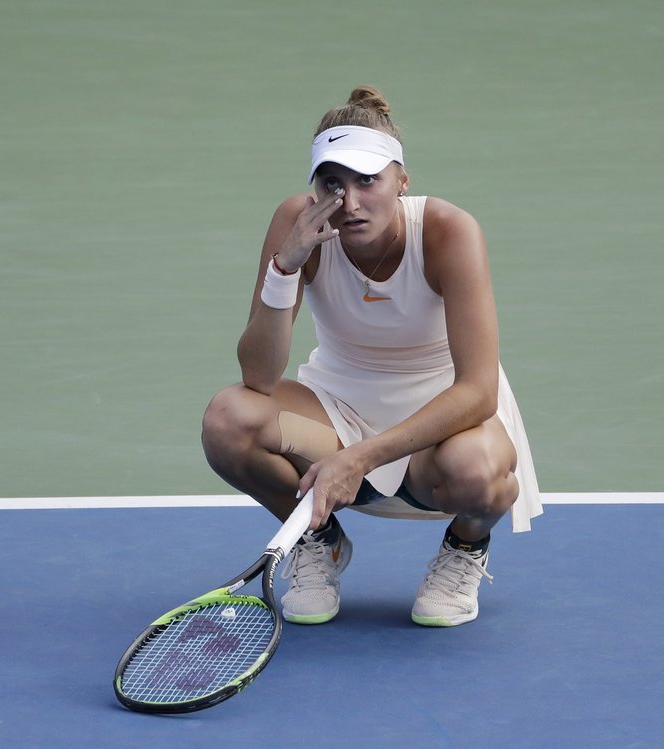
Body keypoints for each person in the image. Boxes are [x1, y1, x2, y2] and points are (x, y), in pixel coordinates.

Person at [201, 85, 541, 627]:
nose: (351, 202)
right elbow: (258, 376)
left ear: (402, 181)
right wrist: (285, 268)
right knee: (227, 419)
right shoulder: (299, 223)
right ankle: (321, 541)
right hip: (337, 411)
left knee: (478, 472)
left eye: (368, 180)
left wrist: (359, 459)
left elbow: (478, 392)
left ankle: (464, 548)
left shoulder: (449, 231)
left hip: (445, 423)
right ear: (315, 189)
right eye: (333, 183)